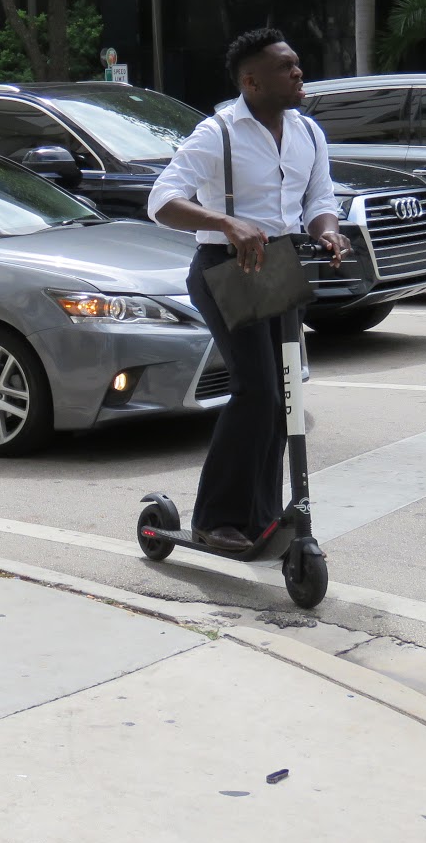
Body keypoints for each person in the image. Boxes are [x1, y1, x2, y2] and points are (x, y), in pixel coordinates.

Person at [146, 28, 352, 552]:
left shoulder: (307, 132)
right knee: (257, 391)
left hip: (279, 266)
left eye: (297, 64)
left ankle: (258, 514)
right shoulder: (218, 132)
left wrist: (326, 229)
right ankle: (214, 517)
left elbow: (318, 198)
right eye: (286, 68)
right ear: (251, 81)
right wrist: (226, 222)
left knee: (284, 396)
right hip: (225, 269)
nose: (298, 73)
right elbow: (161, 200)